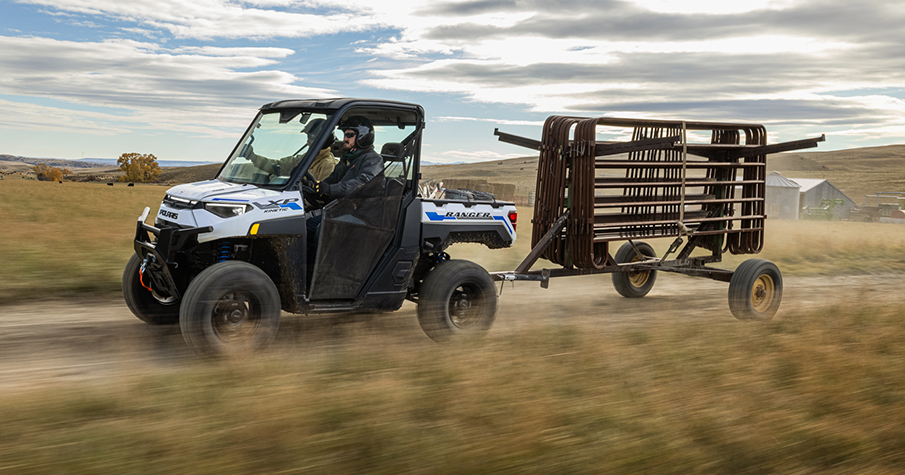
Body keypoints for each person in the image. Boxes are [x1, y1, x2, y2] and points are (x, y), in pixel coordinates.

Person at [305, 115, 384, 278]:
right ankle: (303, 271)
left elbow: (361, 183)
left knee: (323, 228)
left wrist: (329, 189)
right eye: (344, 135)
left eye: (349, 135)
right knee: (304, 226)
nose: (345, 139)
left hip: (363, 216)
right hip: (344, 210)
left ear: (362, 137)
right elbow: (331, 181)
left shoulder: (373, 160)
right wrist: (314, 189)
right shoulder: (347, 159)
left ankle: (322, 276)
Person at [246, 118, 336, 180]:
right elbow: (279, 166)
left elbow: (321, 196)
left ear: (325, 140)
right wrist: (252, 156)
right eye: (308, 137)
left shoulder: (328, 165)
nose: (308, 141)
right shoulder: (304, 158)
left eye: (312, 137)